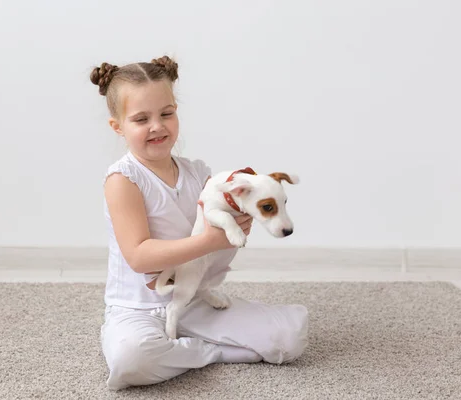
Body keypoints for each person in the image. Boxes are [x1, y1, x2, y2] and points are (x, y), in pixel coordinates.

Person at [90, 55, 309, 391]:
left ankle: (188, 347)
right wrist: (211, 241)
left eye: (167, 113)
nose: (157, 126)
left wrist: (251, 196)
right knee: (131, 361)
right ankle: (214, 351)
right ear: (118, 126)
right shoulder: (124, 179)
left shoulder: (198, 173)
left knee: (290, 338)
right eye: (140, 119)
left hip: (193, 300)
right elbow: (138, 255)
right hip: (138, 308)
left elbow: (234, 210)